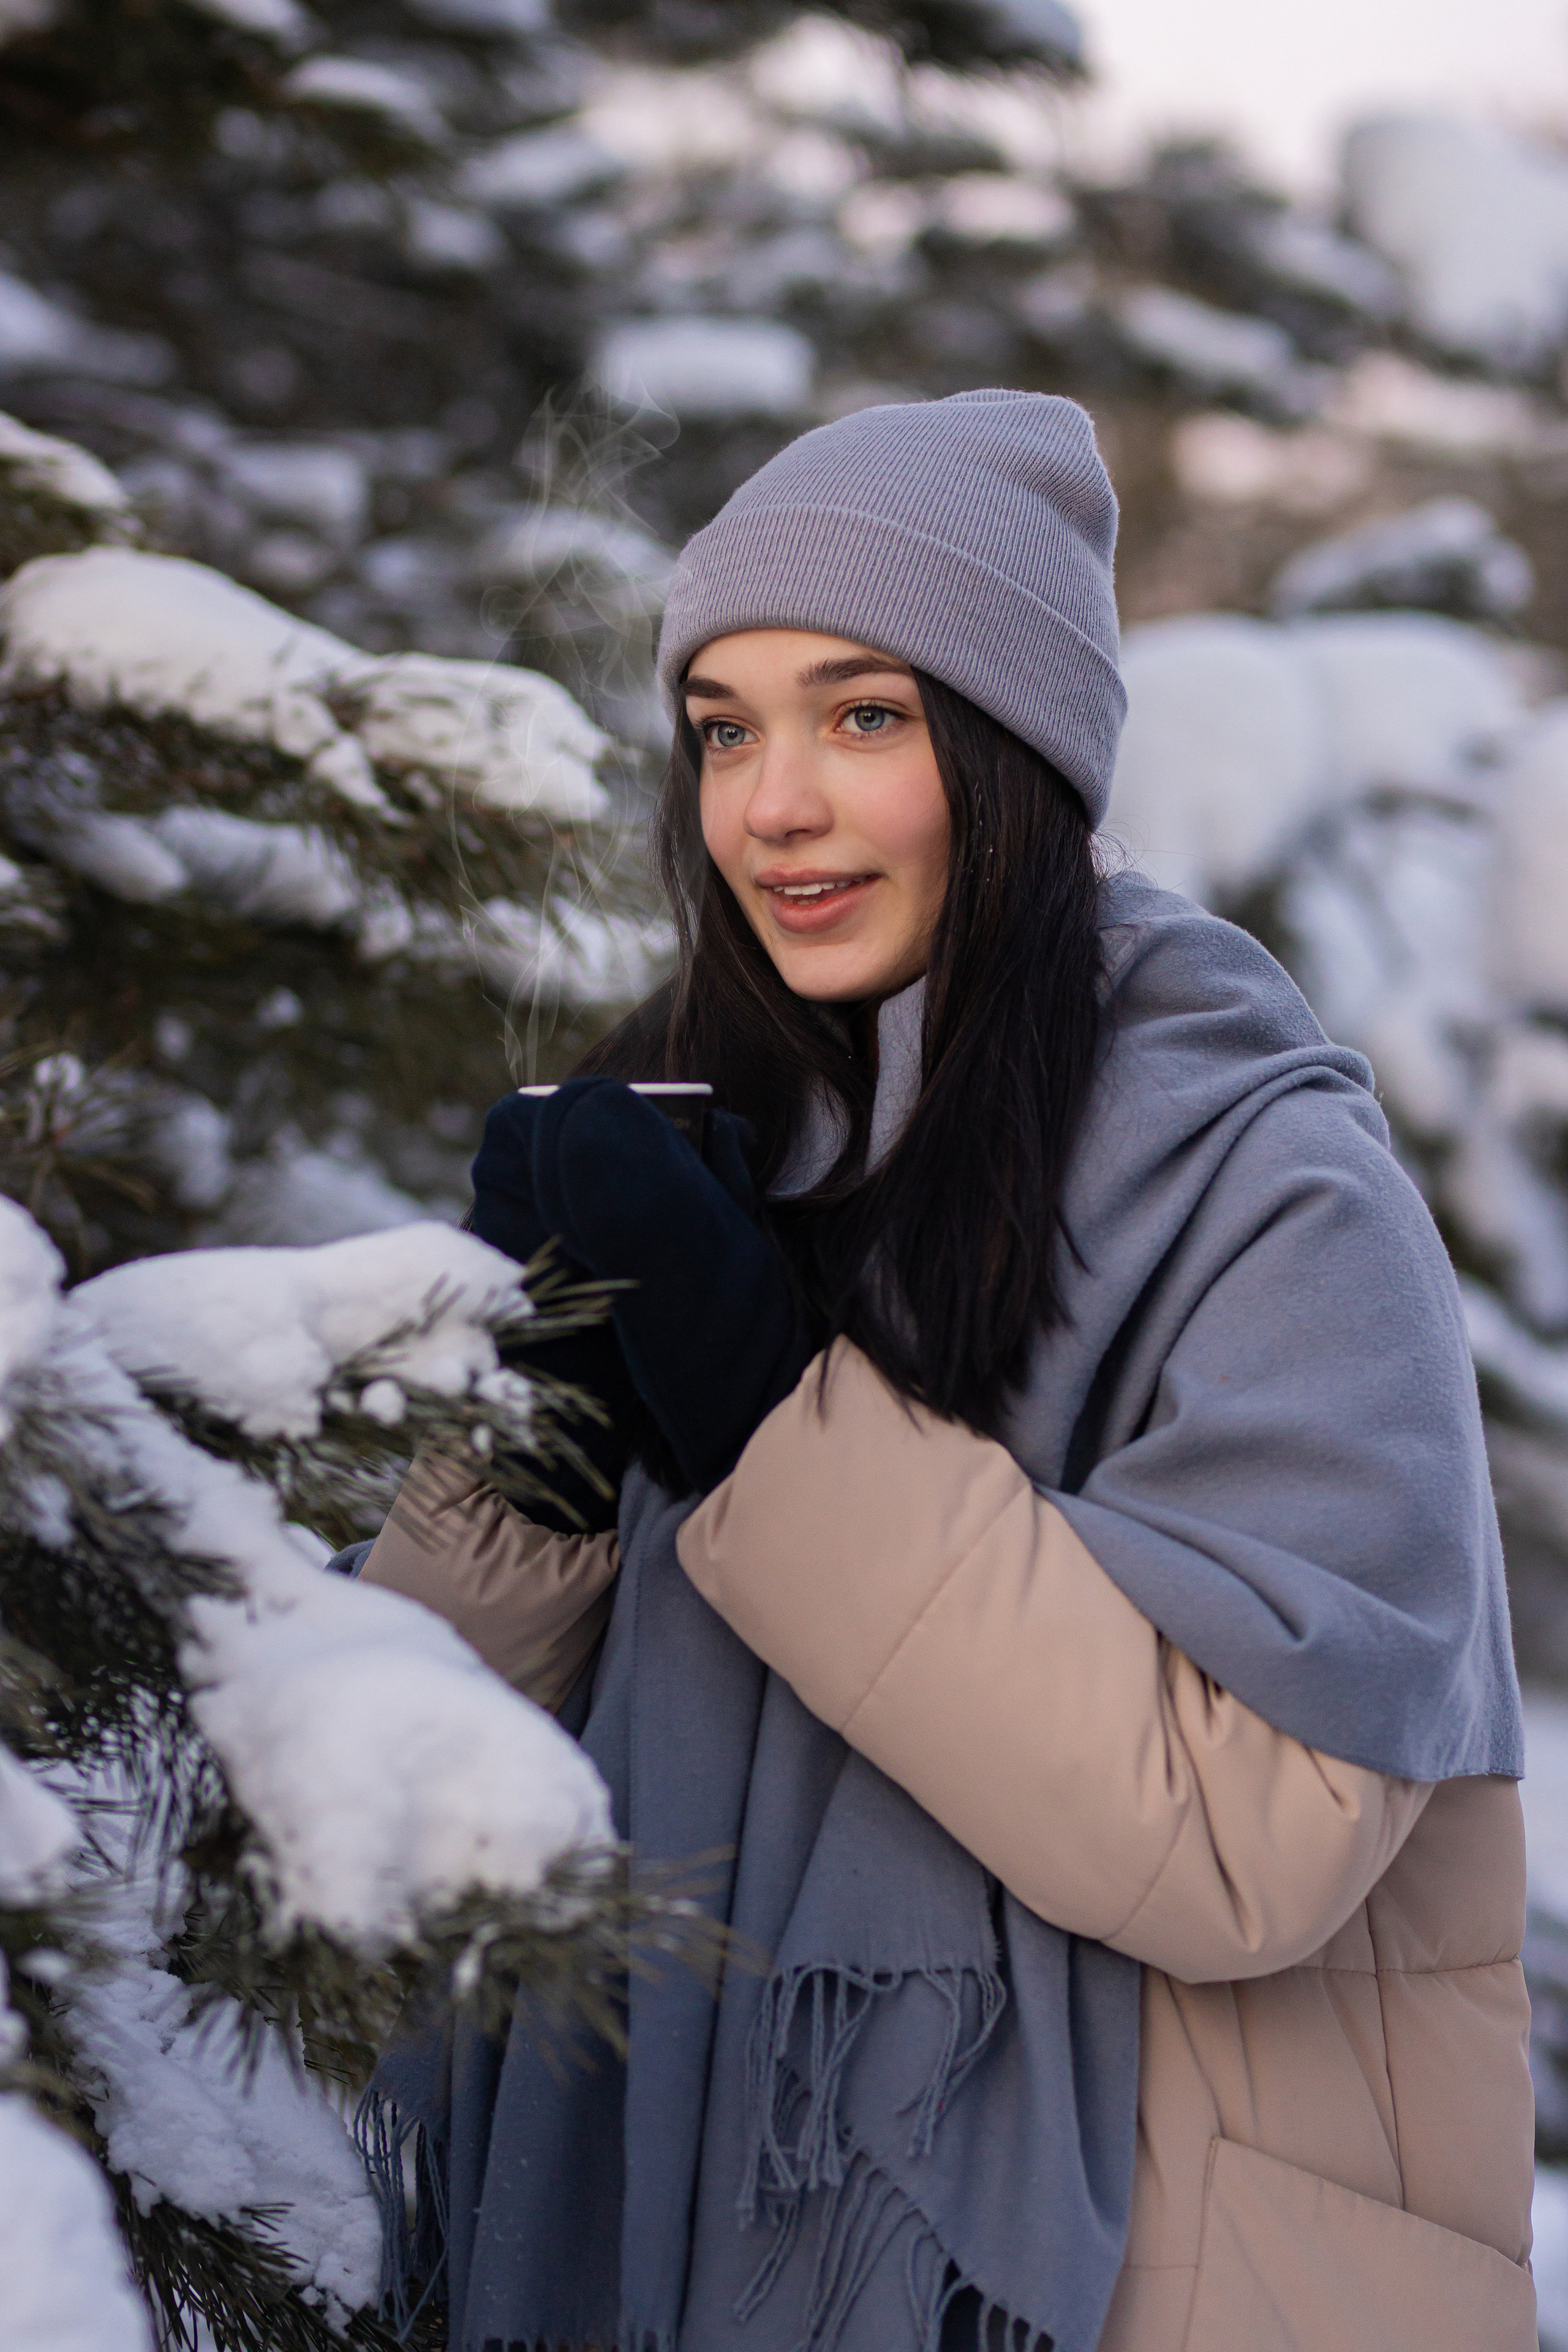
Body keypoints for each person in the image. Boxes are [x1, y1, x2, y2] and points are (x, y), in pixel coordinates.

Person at [358, 391, 1535, 2352]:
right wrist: (531, 1462)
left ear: (1013, 752)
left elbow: (1252, 1837)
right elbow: (402, 1823)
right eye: (724, 728)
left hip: (1141, 2289)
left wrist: (764, 1419)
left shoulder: (1262, 1178)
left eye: (863, 717)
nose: (772, 804)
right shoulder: (709, 1144)